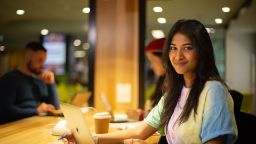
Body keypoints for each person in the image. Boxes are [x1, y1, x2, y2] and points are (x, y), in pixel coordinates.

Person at [65, 19, 238, 144]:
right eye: (173, 48)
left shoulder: (213, 91)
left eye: (187, 48)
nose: (178, 56)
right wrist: (90, 139)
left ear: (202, 52)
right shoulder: (175, 91)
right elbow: (141, 131)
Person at [0, 41, 60, 124]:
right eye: (39, 60)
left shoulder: (38, 81)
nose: (42, 65)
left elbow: (55, 108)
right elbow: (5, 110)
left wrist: (51, 84)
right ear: (28, 57)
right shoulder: (9, 79)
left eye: (44, 61)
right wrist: (36, 111)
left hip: (33, 124)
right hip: (12, 127)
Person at [127, 38, 166, 121]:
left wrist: (141, 115)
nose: (151, 66)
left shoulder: (172, 84)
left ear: (165, 60)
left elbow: (164, 116)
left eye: (153, 61)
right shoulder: (162, 81)